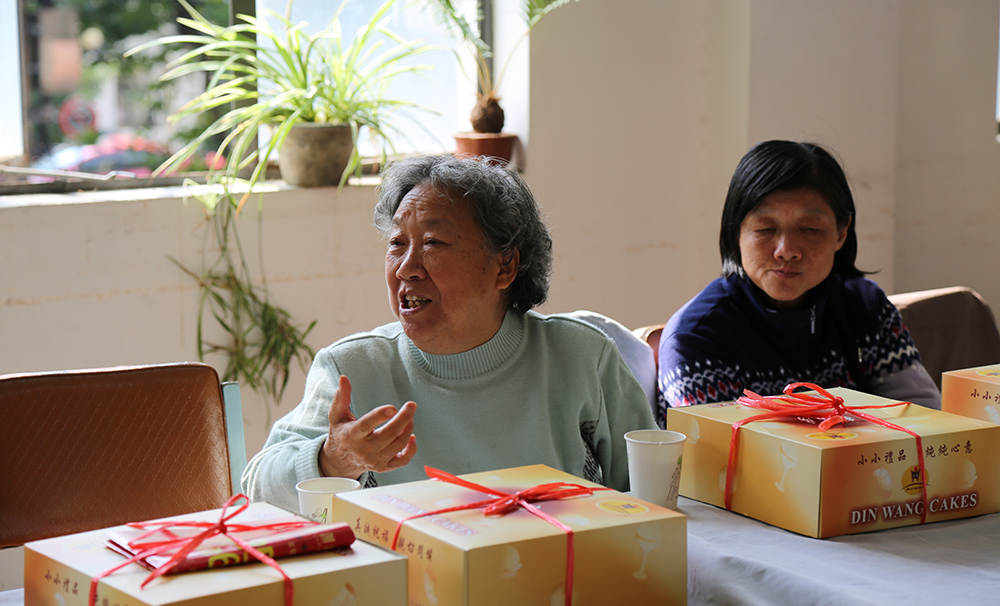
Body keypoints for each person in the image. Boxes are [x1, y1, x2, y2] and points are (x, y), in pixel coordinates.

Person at [243, 154, 657, 511]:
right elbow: (257, 487)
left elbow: (657, 488)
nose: (406, 268)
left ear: (505, 266)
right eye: (397, 243)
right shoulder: (353, 370)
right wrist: (332, 459)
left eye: (433, 243)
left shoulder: (581, 358)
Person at [656, 140, 940, 424]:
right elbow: (721, 447)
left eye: (810, 229)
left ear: (841, 234)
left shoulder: (866, 308)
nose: (787, 250)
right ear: (736, 233)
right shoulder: (696, 340)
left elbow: (922, 418)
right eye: (765, 228)